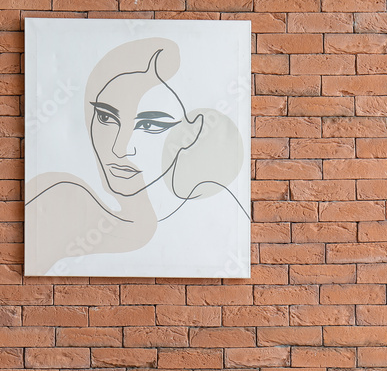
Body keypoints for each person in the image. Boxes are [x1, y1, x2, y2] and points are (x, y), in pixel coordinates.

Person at [25, 37, 247, 276]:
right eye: (106, 118)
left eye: (149, 125)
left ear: (190, 134)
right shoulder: (57, 199)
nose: (120, 149)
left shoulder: (221, 224)